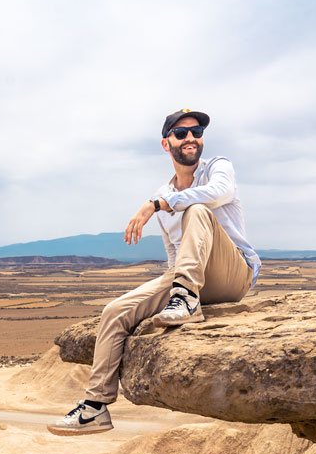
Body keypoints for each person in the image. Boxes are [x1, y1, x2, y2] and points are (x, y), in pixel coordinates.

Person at [48, 108, 260, 436]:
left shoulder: (217, 168)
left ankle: (185, 300)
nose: (191, 137)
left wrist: (157, 204)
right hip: (192, 279)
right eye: (181, 133)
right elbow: (177, 256)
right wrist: (163, 204)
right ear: (167, 144)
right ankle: (95, 407)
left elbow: (218, 193)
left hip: (233, 274)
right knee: (115, 311)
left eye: (196, 131)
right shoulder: (164, 194)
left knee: (198, 210)